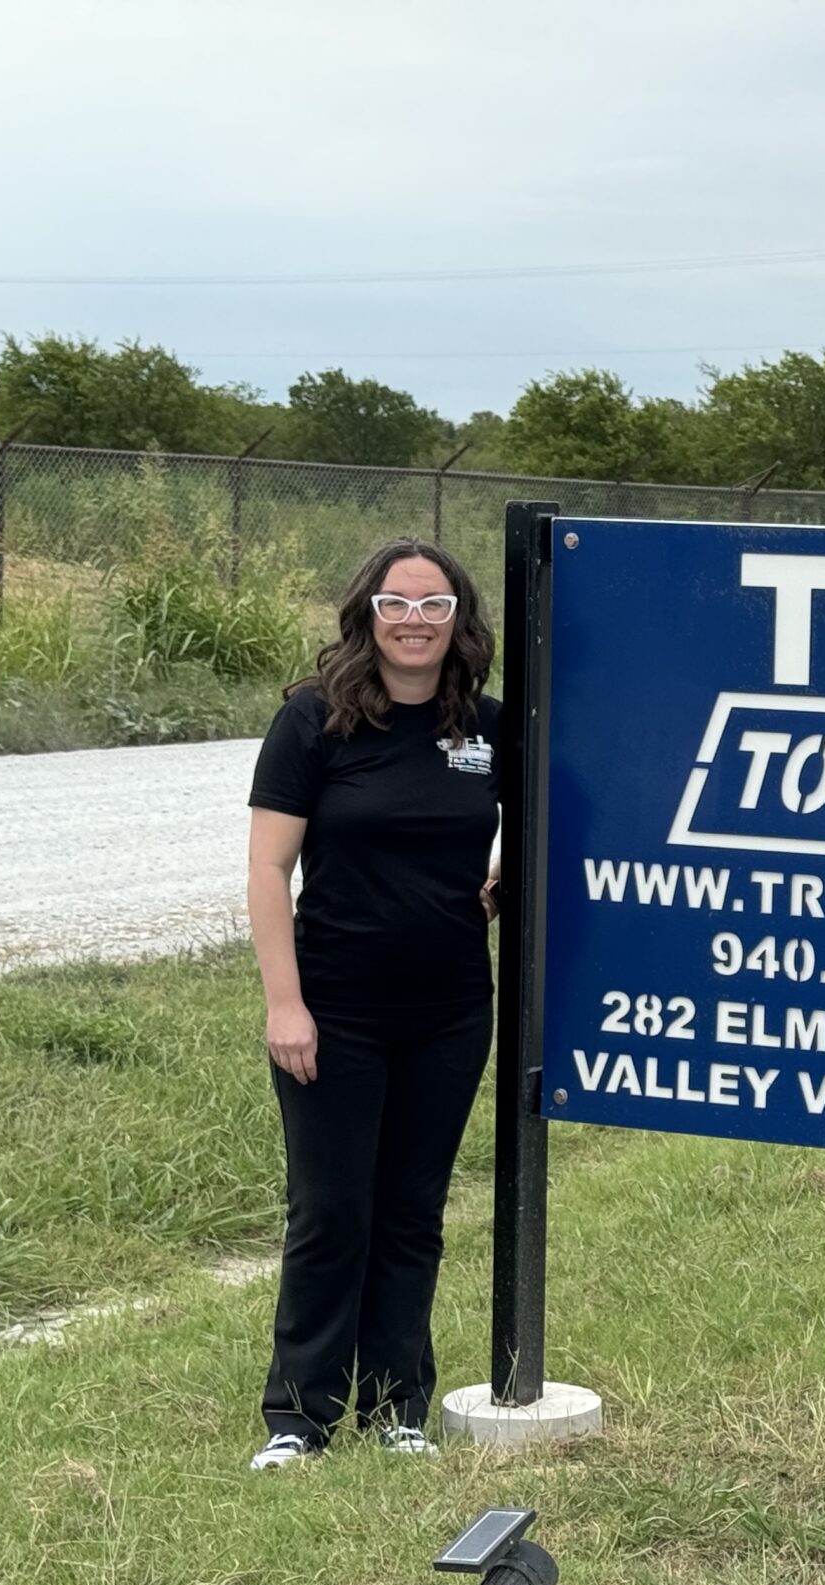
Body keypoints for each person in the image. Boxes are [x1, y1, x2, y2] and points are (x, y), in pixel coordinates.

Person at [243, 537, 504, 1469]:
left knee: (411, 1211)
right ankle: (298, 1418)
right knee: (330, 1209)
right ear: (367, 613)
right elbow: (270, 869)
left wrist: (502, 878)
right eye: (398, 604)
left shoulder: (487, 727)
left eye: (435, 607)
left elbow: (556, 817)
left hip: (449, 1011)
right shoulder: (314, 722)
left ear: (460, 621)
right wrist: (287, 1005)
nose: (415, 623)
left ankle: (398, 1407)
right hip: (334, 1008)